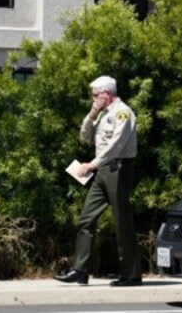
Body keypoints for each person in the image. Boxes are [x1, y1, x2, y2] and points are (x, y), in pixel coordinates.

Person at [55, 75, 141, 287]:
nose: (93, 99)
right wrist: (92, 114)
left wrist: (92, 165)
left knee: (122, 222)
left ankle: (131, 275)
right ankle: (80, 270)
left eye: (95, 96)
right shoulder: (101, 114)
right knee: (86, 219)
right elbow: (84, 137)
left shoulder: (123, 113)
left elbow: (116, 146)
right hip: (102, 171)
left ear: (106, 94)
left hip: (118, 169)